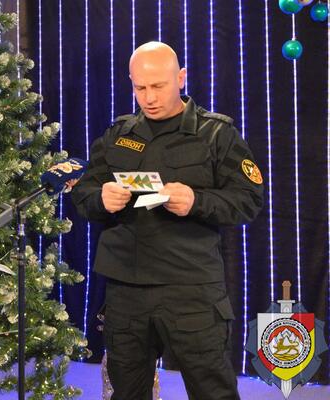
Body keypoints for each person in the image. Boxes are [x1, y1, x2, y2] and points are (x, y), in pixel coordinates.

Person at [72, 41, 264, 400]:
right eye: (140, 88)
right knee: (126, 393)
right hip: (126, 289)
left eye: (158, 86)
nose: (149, 97)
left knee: (213, 391)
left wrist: (196, 201)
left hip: (191, 288)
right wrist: (100, 198)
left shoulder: (216, 134)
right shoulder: (119, 134)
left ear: (181, 77)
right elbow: (83, 192)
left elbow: (248, 201)